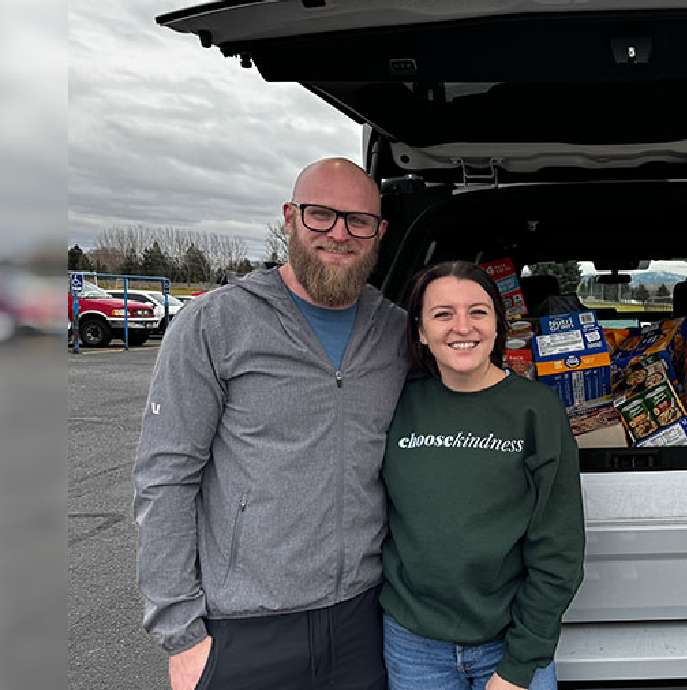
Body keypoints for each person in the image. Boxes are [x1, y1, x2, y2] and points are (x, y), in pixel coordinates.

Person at [133, 158, 408, 690]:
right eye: (321, 215)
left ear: (380, 232)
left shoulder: (396, 334)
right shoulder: (215, 324)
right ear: (289, 217)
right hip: (245, 628)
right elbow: (165, 479)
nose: (339, 234)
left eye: (358, 221)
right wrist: (182, 634)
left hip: (364, 620)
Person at [381, 261, 585, 690]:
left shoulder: (536, 411)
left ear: (497, 325)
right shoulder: (395, 404)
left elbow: (559, 551)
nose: (462, 327)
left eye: (478, 311)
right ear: (419, 330)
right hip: (414, 644)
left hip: (507, 642)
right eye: (442, 314)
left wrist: (520, 662)